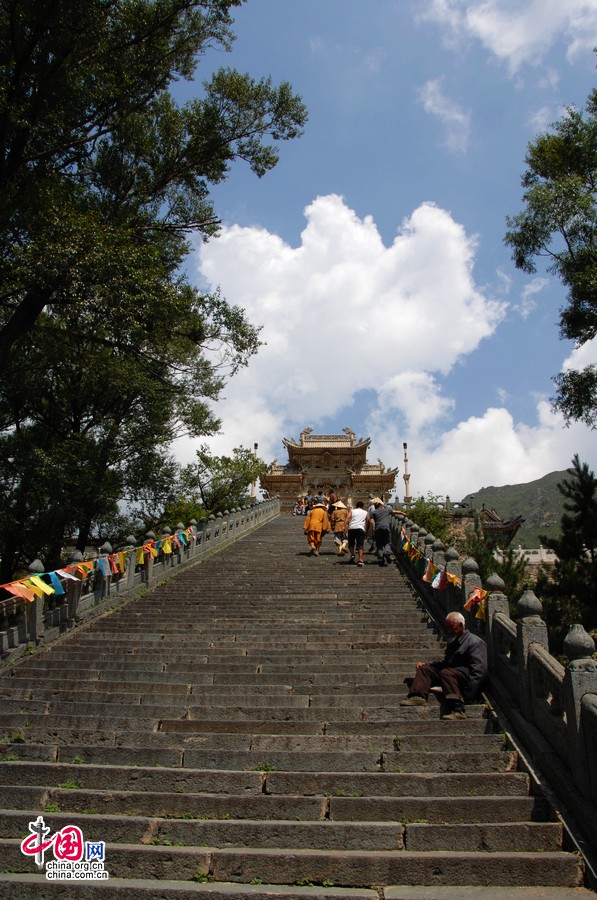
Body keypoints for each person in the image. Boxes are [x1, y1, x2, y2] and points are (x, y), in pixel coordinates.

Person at [399, 612, 488, 719]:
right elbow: (446, 663)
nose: (449, 630)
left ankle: (457, 709)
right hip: (449, 676)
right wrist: (427, 665)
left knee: (446, 673)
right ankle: (418, 696)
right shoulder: (453, 642)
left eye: (451, 627)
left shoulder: (474, 642)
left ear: (461, 625)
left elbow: (479, 671)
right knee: (425, 670)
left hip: (463, 678)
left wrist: (467, 694)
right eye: (447, 627)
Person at [368, 498, 393, 567]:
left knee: (379, 545)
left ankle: (380, 558)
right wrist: (403, 513)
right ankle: (387, 553)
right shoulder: (386, 510)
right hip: (386, 528)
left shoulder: (373, 512)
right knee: (387, 542)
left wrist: (372, 530)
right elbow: (395, 511)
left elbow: (372, 522)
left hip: (377, 529)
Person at [346, 500, 370, 567]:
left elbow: (348, 517)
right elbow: (368, 520)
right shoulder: (365, 512)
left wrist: (344, 526)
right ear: (363, 506)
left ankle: (352, 554)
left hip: (352, 528)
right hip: (360, 529)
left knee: (351, 543)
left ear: (356, 506)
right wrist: (367, 530)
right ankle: (360, 560)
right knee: (360, 545)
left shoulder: (352, 511)